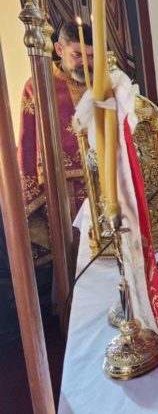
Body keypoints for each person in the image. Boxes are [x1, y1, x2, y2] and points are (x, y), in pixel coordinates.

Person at [18, 21, 93, 268]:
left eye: (91, 56)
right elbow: (27, 143)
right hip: (61, 189)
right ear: (59, 50)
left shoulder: (105, 82)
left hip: (103, 183)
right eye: (77, 55)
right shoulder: (38, 85)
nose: (86, 63)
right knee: (69, 256)